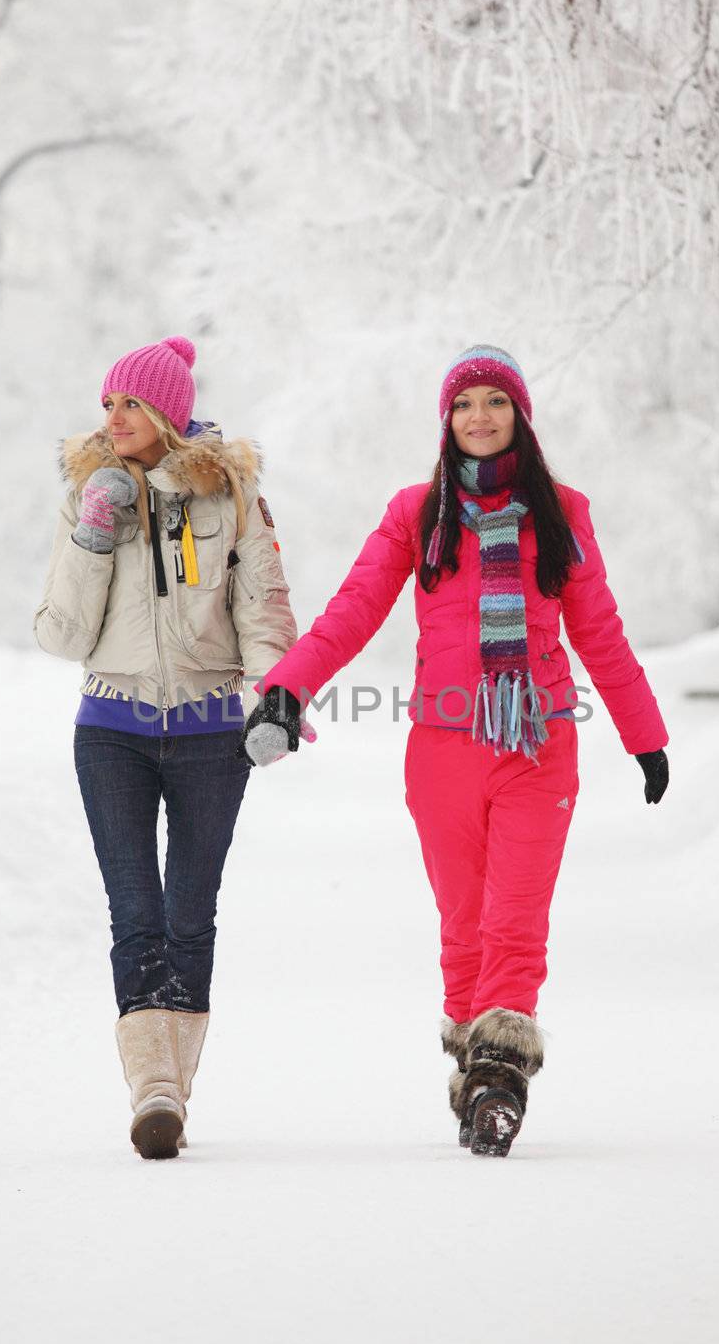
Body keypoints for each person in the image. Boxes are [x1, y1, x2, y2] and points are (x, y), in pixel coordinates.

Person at [241, 345, 669, 1157]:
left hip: (538, 744)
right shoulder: (416, 513)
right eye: (464, 403)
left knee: (514, 922)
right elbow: (353, 609)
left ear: (519, 416)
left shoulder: (562, 512)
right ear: (446, 419)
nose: (479, 416)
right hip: (441, 751)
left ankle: (498, 1084)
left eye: (494, 402)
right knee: (463, 925)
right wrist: (287, 691)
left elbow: (599, 631)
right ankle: (474, 1074)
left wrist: (644, 737)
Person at [35, 335, 297, 1159]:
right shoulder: (88, 495)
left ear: (169, 413)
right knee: (134, 914)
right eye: (107, 403)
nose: (114, 417)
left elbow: (263, 606)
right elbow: (62, 633)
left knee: (190, 914)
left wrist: (277, 697)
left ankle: (170, 1091)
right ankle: (152, 1088)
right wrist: (93, 535)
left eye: (131, 404)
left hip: (210, 732)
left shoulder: (232, 494)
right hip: (110, 731)